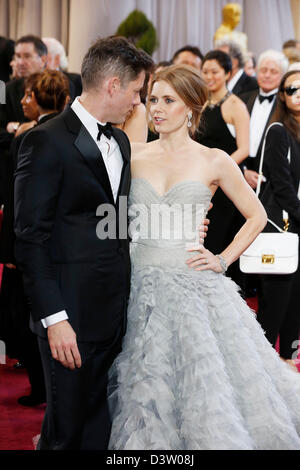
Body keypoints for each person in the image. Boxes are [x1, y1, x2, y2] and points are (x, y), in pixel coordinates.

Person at [108, 64, 300, 451]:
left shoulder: (213, 159)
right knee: (144, 383)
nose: (157, 109)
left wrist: (222, 259)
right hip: (136, 283)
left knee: (201, 385)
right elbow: (113, 216)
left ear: (192, 108)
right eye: (152, 100)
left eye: (168, 100)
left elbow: (257, 216)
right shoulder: (134, 154)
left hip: (191, 285)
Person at [14, 35, 154, 450]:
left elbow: (117, 221)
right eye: (135, 92)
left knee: (100, 431)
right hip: (69, 317)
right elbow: (29, 239)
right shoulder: (45, 141)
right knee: (66, 434)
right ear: (113, 85)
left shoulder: (123, 142)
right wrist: (54, 320)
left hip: (113, 315)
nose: (137, 103)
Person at [0, 70, 70, 406]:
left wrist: (10, 245)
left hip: (30, 242)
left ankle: (42, 388)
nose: (23, 101)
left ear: (39, 98)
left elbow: (16, 199)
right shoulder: (71, 132)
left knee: (25, 315)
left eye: (28, 95)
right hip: (60, 243)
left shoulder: (30, 136)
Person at [257, 70, 300, 368]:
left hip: (297, 224)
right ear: (283, 96)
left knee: (295, 299)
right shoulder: (277, 130)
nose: (298, 92)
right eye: (292, 88)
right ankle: (260, 363)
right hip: (282, 225)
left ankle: (288, 358)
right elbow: (280, 183)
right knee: (276, 300)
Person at [197, 50, 249, 289]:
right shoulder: (199, 103)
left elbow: (244, 149)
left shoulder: (235, 105)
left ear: (227, 73)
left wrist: (220, 171)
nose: (209, 76)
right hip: (200, 184)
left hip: (226, 188)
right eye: (205, 71)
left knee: (217, 240)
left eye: (215, 72)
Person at [242, 50, 288, 190]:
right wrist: (243, 170)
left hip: (273, 181)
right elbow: (232, 139)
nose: (267, 75)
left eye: (273, 71)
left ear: (283, 76)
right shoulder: (242, 100)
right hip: (240, 174)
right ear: (256, 71)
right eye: (263, 70)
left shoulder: (286, 105)